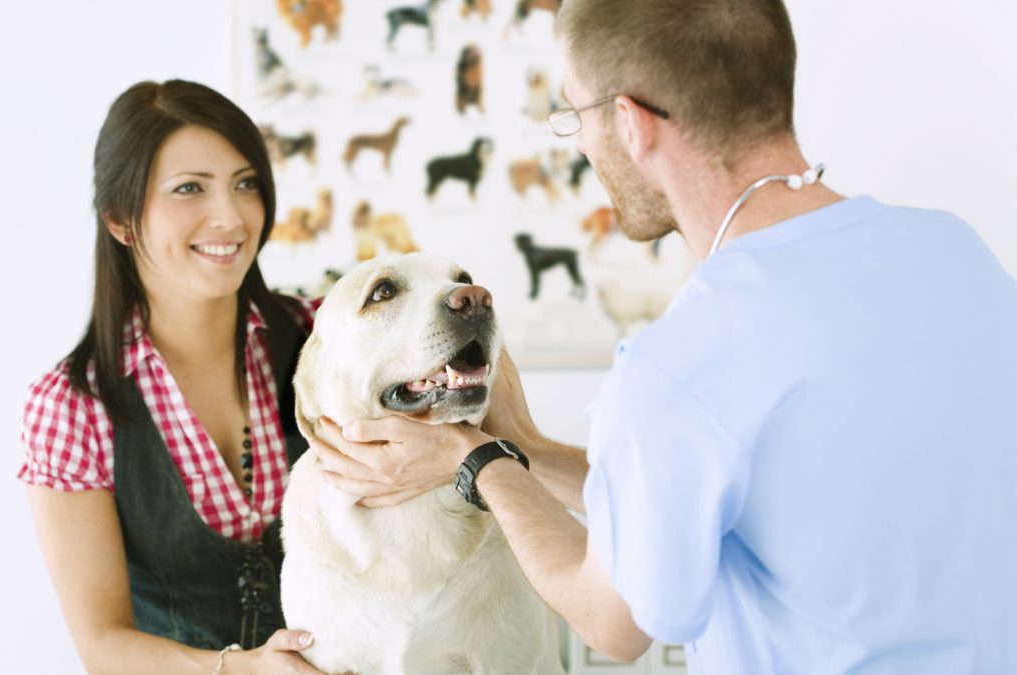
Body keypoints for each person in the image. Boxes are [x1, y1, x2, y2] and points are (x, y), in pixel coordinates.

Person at [311, 1, 1017, 672]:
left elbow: (612, 618)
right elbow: (708, 496)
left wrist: (477, 458)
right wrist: (525, 447)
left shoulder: (681, 360)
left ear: (629, 122)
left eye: (574, 114)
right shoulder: (955, 251)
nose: (581, 140)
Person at [19, 79, 326, 674]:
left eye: (246, 184)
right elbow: (104, 646)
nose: (231, 217)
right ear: (120, 220)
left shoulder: (326, 338)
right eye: (190, 189)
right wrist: (243, 669)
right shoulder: (74, 407)